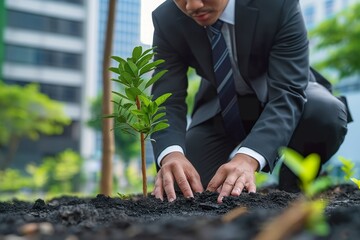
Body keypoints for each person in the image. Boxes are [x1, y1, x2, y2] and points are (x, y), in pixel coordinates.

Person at [150, 0, 351, 204]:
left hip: (283, 93)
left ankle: (293, 188)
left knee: (327, 113)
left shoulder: (278, 4)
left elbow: (288, 92)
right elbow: (167, 98)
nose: (192, 6)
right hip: (221, 106)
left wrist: (247, 158)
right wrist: (171, 154)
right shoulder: (167, 19)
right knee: (185, 184)